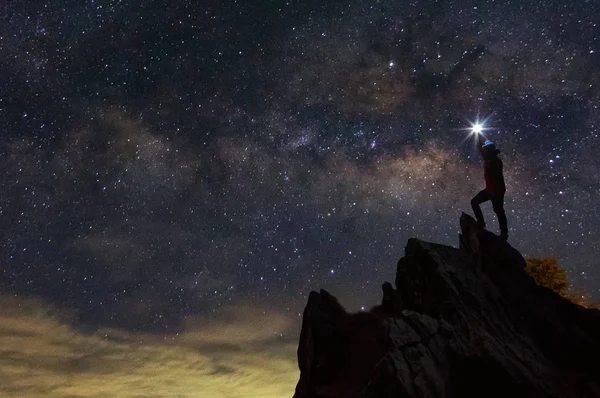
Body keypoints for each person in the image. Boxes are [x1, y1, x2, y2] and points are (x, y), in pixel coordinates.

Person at [471, 137, 508, 240]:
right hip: (490, 189)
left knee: (498, 210)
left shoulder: (496, 161)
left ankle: (504, 234)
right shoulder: (489, 158)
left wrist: (494, 193)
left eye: (486, 149)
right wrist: (478, 138)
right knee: (474, 202)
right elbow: (482, 150)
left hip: (497, 190)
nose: (484, 151)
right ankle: (481, 223)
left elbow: (496, 176)